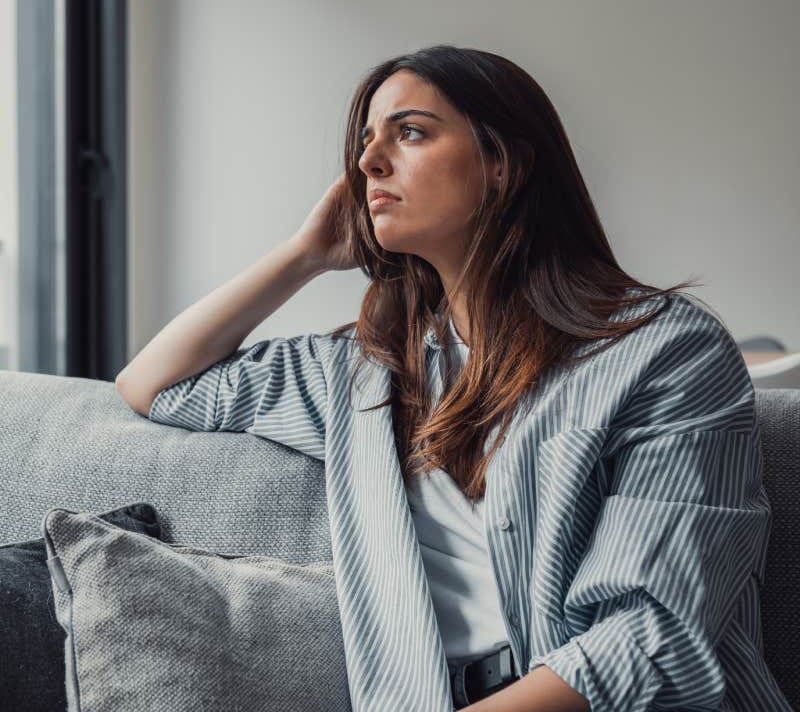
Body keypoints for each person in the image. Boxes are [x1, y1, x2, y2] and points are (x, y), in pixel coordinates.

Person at [116, 45, 792, 712]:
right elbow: (156, 383)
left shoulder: (666, 352)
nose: (368, 161)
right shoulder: (367, 374)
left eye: (409, 132)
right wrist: (305, 256)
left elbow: (650, 639)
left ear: (503, 165)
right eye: (364, 140)